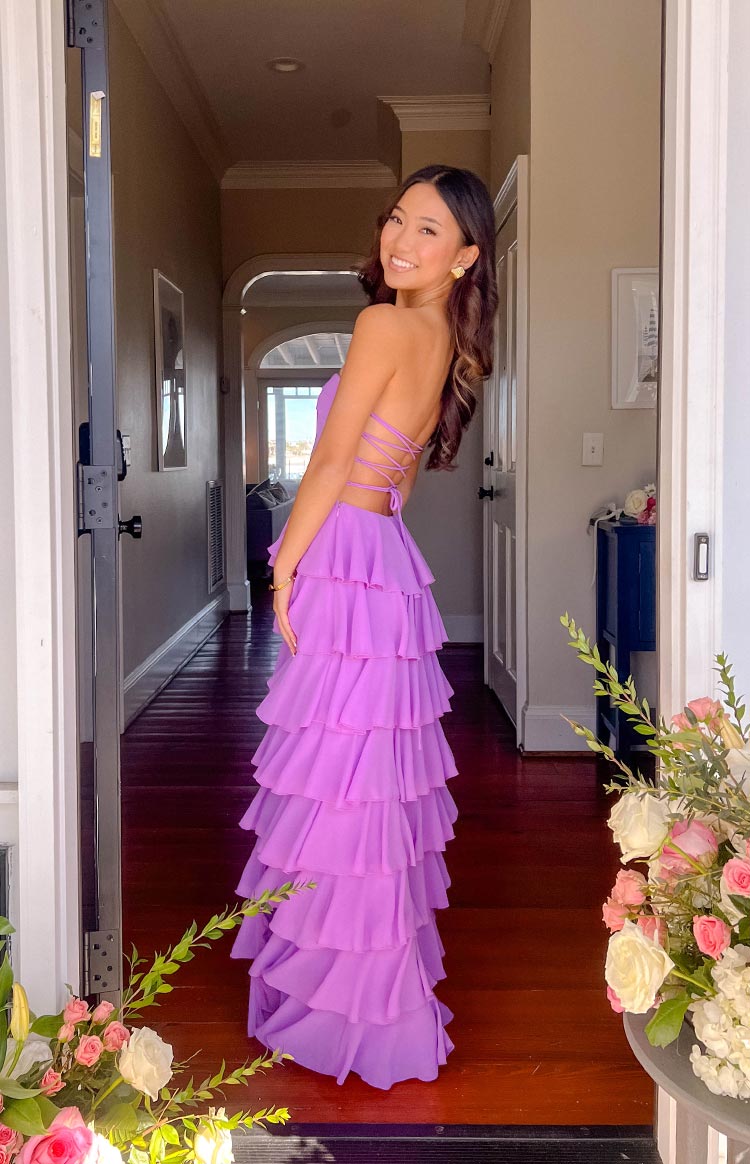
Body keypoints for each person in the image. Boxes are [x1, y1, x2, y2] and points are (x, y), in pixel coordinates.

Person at [230, 165, 498, 1090]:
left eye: (428, 230)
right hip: (384, 553)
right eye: (397, 219)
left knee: (335, 779)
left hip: (345, 548)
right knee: (367, 782)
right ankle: (369, 992)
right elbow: (398, 476)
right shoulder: (442, 342)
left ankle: (337, 997)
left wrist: (285, 565)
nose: (400, 239)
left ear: (464, 257)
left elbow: (333, 459)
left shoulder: (385, 323)